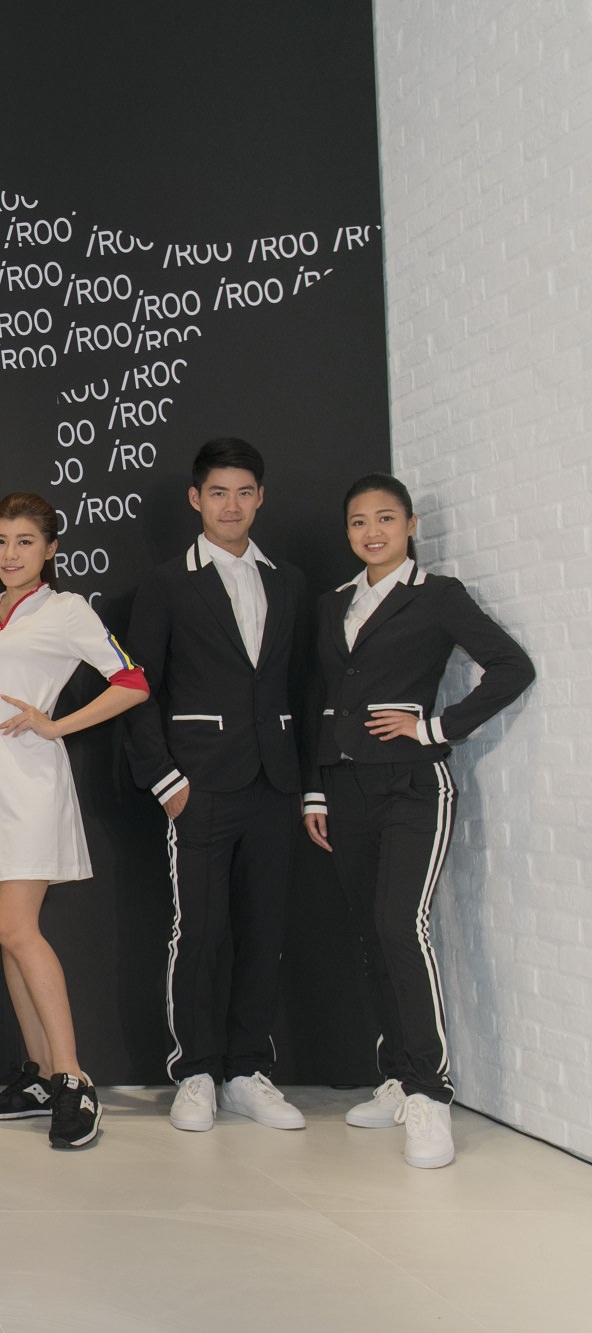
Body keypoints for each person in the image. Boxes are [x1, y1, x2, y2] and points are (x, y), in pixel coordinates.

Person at [301, 474, 533, 1169]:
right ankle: (399, 1076)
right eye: (358, 521)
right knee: (371, 934)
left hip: (411, 787)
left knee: (402, 927)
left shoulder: (437, 595)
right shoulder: (334, 603)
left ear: (409, 525)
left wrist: (435, 726)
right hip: (344, 789)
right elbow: (321, 696)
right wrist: (315, 791)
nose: (371, 531)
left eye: (385, 518)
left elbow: (511, 666)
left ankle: (431, 1092)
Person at [0, 491, 149, 1150]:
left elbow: (132, 682)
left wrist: (56, 724)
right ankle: (38, 1077)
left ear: (51, 549)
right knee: (6, 937)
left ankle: (74, 1079)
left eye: (25, 542)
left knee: (15, 926)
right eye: (1, 541)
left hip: (31, 788)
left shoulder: (66, 610)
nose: (10, 554)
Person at [122, 439, 310, 1134]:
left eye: (244, 492)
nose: (232, 505)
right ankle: (196, 1070)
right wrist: (166, 780)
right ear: (196, 499)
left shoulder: (289, 581)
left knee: (265, 930)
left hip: (274, 783)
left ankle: (246, 1071)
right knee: (200, 932)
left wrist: (307, 784)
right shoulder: (167, 584)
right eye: (219, 492)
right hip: (199, 784)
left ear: (260, 498)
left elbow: (302, 684)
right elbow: (136, 688)